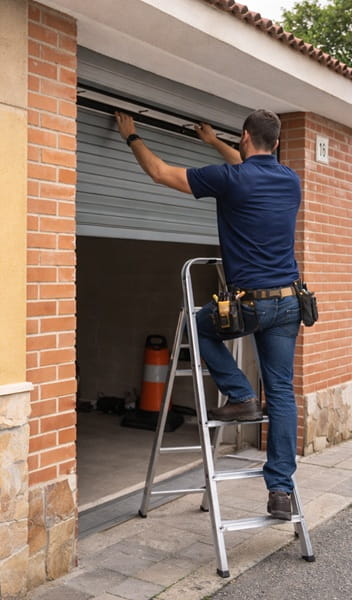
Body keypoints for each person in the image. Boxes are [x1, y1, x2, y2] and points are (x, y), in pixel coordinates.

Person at [115, 109, 302, 521]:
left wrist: (132, 136)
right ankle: (280, 491)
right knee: (283, 394)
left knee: (197, 326)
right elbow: (247, 165)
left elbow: (162, 173)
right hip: (289, 301)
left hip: (250, 303)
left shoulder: (231, 180)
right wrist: (214, 141)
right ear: (275, 142)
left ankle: (239, 395)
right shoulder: (290, 180)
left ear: (246, 136)